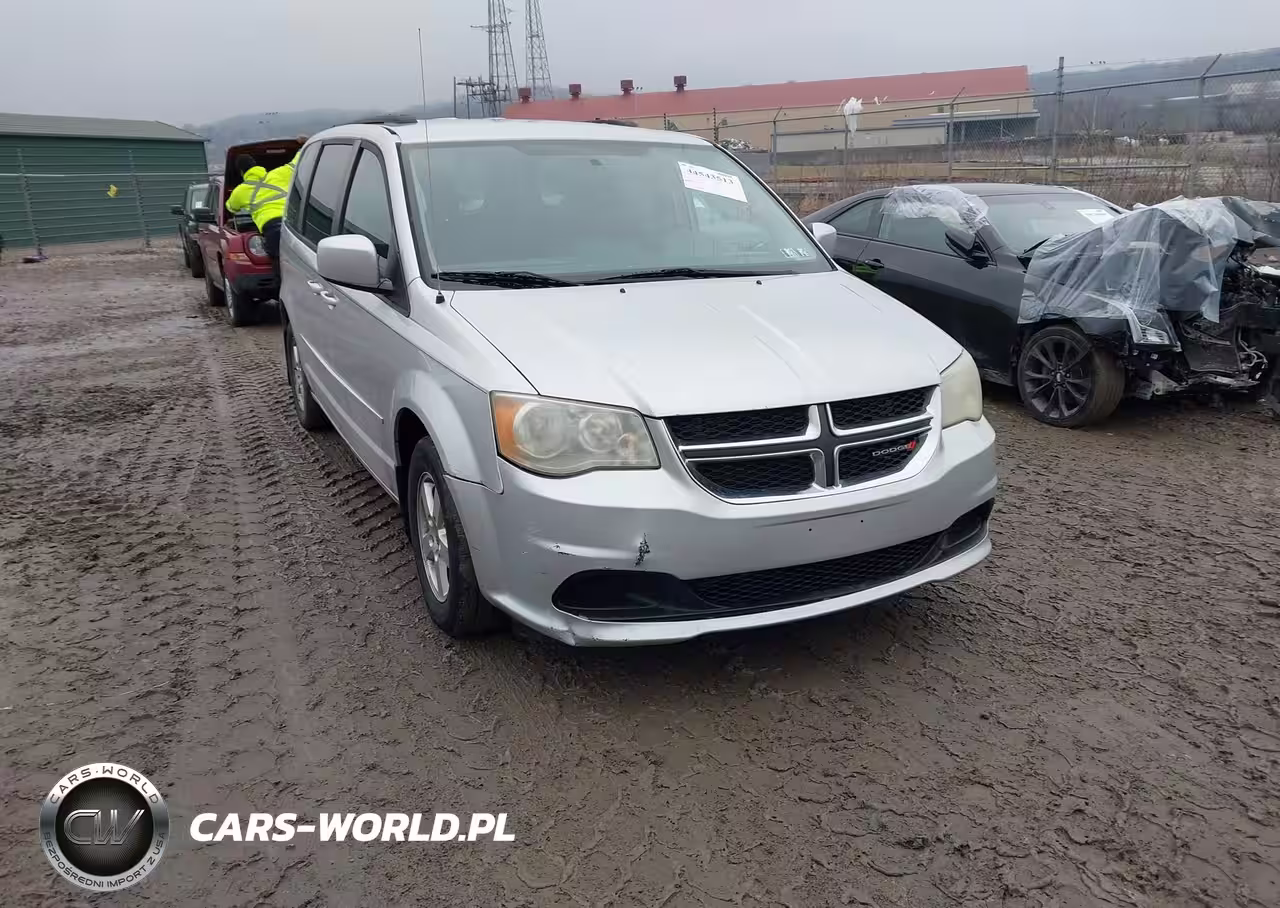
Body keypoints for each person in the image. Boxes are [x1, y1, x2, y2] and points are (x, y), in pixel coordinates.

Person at [225, 147, 301, 285]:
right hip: (295, 223)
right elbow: (300, 159)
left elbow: (230, 207)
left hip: (273, 228)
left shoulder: (240, 191)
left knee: (281, 267)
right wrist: (302, 144)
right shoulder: (280, 173)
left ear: (241, 172)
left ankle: (285, 292)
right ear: (257, 165)